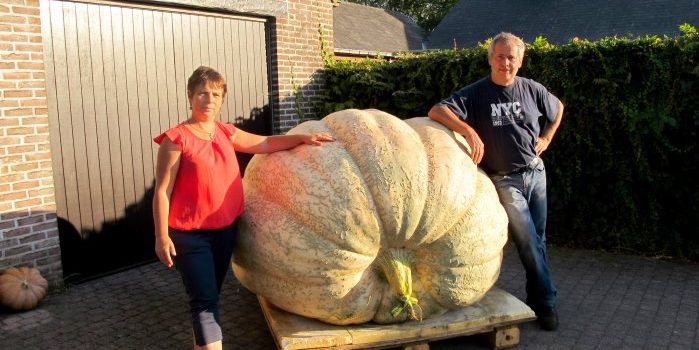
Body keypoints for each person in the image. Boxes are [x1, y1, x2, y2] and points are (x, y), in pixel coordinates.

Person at [152, 66, 334, 349]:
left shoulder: (226, 132)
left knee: (208, 297)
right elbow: (162, 192)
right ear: (190, 96)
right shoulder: (176, 140)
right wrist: (161, 236)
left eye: (215, 94)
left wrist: (301, 138)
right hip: (190, 236)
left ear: (222, 99)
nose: (208, 100)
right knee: (205, 302)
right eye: (202, 93)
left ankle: (202, 340)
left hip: (225, 231)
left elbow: (265, 143)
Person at [428, 32, 564, 331]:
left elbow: (558, 109)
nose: (505, 63)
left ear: (521, 60)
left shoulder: (533, 89)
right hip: (505, 181)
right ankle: (547, 303)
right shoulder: (476, 94)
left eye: (511, 57)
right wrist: (468, 130)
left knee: (537, 241)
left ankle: (536, 295)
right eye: (500, 56)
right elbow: (437, 110)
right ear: (490, 59)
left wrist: (546, 138)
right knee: (528, 241)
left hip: (535, 172)